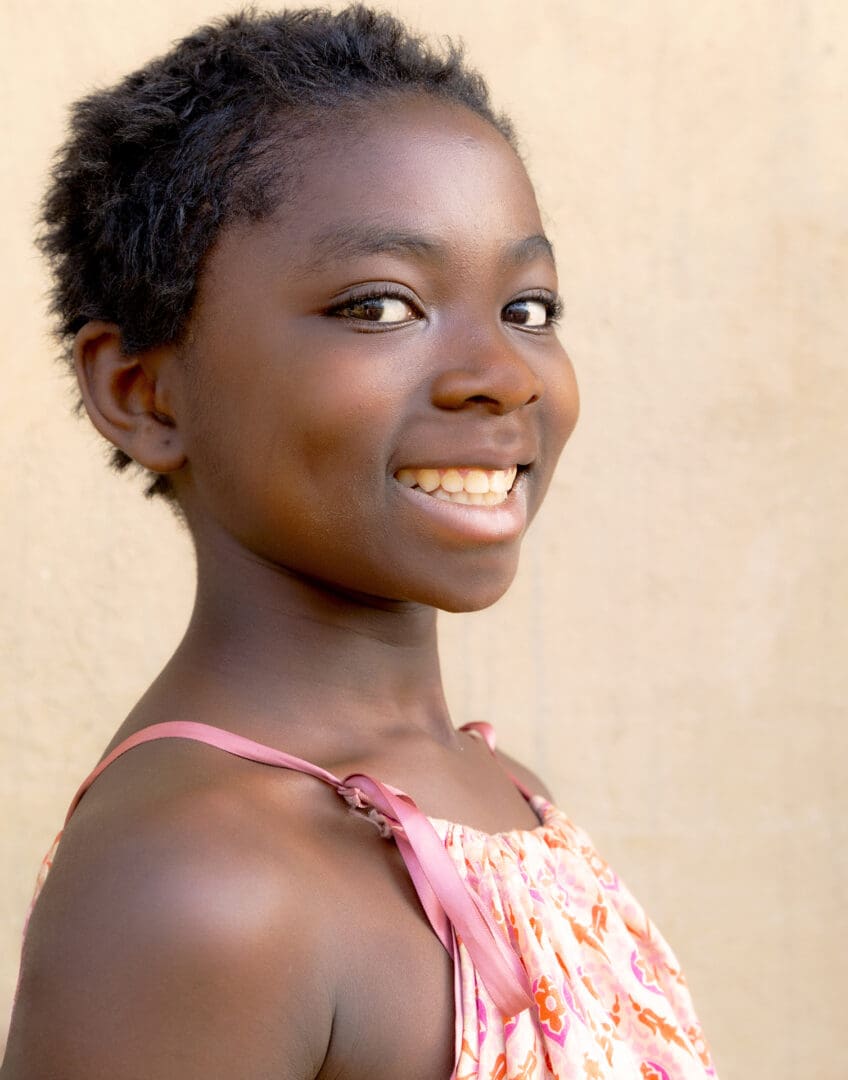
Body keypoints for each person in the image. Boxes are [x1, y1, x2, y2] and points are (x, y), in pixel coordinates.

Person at [1, 7, 718, 1078]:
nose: (503, 373)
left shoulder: (497, 791)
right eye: (379, 305)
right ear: (140, 391)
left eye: (528, 307)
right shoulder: (203, 885)